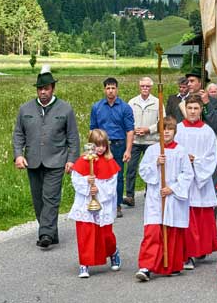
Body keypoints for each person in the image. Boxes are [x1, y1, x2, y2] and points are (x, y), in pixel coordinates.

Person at [12, 66, 80, 248]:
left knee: (50, 197)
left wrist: (71, 159)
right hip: (32, 161)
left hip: (56, 160)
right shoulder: (25, 109)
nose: (43, 92)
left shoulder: (65, 109)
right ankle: (51, 233)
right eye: (40, 89)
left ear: (53, 89)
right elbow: (18, 134)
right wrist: (18, 155)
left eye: (46, 89)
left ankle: (45, 235)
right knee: (38, 200)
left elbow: (73, 137)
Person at [136, 117, 194, 281]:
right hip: (156, 197)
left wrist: (172, 188)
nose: (166, 132)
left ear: (175, 131)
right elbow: (143, 171)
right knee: (153, 232)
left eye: (170, 129)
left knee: (171, 233)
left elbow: (187, 174)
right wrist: (155, 163)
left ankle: (170, 265)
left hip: (173, 197)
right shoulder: (152, 150)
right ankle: (146, 266)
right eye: (164, 129)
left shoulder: (181, 151)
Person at [68, 129, 122, 278]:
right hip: (85, 203)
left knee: (105, 235)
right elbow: (76, 180)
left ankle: (113, 252)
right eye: (97, 145)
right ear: (91, 145)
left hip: (103, 204)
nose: (100, 149)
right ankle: (84, 264)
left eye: (103, 145)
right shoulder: (82, 161)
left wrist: (98, 188)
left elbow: (112, 186)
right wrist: (87, 182)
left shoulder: (110, 162)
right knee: (85, 234)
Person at [175, 95, 217, 269]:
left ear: (201, 110)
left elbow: (212, 156)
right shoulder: (177, 130)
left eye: (196, 108)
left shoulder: (207, 131)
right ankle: (188, 253)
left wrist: (196, 161)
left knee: (200, 217)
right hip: (182, 180)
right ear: (185, 109)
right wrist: (183, 161)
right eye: (190, 108)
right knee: (186, 217)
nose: (193, 111)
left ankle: (200, 249)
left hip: (200, 179)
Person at [89, 77, 134, 218]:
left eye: (113, 88)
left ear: (117, 89)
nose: (110, 91)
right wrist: (91, 149)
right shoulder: (97, 107)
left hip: (118, 145)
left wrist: (128, 150)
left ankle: (117, 204)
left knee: (118, 176)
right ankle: (101, 201)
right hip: (101, 146)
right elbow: (92, 129)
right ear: (104, 90)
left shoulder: (125, 107)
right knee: (100, 174)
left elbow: (130, 130)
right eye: (108, 88)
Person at [126, 76, 163, 207]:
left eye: (147, 86)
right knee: (131, 168)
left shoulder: (157, 102)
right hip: (136, 141)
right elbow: (128, 119)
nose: (145, 88)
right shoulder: (132, 102)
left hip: (151, 141)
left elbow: (161, 121)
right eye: (143, 86)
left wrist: (148, 130)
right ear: (139, 87)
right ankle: (130, 195)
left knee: (151, 168)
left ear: (151, 87)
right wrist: (134, 129)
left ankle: (150, 194)